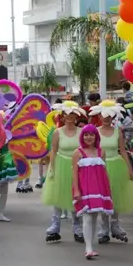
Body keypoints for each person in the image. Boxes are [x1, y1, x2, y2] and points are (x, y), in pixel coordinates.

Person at [90, 100, 133, 243]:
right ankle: (104, 227)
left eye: (109, 117)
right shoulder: (95, 132)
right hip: (101, 166)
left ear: (113, 117)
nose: (106, 119)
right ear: (99, 116)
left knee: (116, 197)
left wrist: (130, 169)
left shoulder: (118, 132)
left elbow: (123, 150)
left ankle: (115, 225)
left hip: (117, 166)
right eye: (104, 116)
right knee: (104, 198)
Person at [42, 101, 86, 243]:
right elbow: (53, 150)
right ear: (62, 117)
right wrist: (52, 168)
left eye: (72, 115)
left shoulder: (81, 132)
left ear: (76, 116)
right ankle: (55, 225)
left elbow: (84, 150)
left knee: (75, 196)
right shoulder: (57, 132)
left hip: (76, 166)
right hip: (61, 164)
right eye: (66, 115)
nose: (69, 117)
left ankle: (77, 226)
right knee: (58, 195)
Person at [72, 125, 114, 259]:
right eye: (85, 134)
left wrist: (107, 189)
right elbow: (74, 173)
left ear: (96, 136)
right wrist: (77, 190)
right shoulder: (78, 153)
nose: (88, 137)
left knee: (94, 216)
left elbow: (104, 172)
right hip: (84, 188)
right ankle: (88, 248)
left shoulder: (101, 152)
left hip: (99, 188)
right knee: (87, 217)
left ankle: (91, 245)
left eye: (91, 134)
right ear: (82, 136)